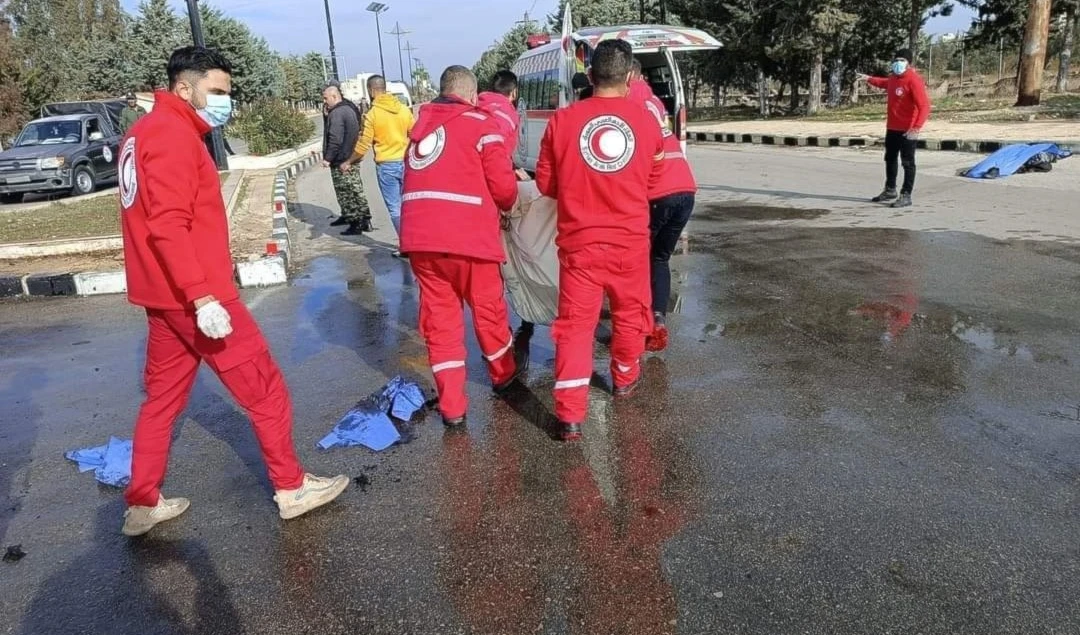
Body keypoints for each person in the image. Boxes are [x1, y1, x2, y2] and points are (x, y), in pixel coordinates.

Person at [118, 46, 348, 537]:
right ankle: (291, 488)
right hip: (196, 297)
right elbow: (167, 227)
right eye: (217, 91)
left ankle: (142, 501)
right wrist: (202, 298)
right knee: (264, 389)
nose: (224, 100)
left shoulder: (140, 134)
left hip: (162, 298)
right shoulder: (172, 135)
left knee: (161, 400)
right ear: (185, 87)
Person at [536, 39, 664, 442]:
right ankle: (624, 379)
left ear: (590, 76)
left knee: (575, 328)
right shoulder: (647, 121)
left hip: (579, 246)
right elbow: (654, 181)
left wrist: (578, 189)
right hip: (629, 243)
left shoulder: (562, 120)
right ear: (629, 77)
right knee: (630, 315)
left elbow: (545, 182)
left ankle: (570, 417)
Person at [400, 65, 525, 427]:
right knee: (488, 312)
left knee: (441, 324)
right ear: (472, 95)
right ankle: (503, 377)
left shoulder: (420, 130)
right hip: (470, 240)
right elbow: (503, 189)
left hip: (421, 242)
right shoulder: (481, 125)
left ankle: (453, 409)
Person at [628, 59, 697, 353]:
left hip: (660, 191)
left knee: (639, 257)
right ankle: (658, 319)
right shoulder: (653, 99)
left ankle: (638, 322)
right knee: (659, 258)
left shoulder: (627, 100)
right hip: (685, 187)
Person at [342, 75, 414, 254]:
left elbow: (363, 144)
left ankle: (406, 246)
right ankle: (418, 242)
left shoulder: (372, 115)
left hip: (387, 165)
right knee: (410, 206)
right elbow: (415, 133)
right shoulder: (404, 110)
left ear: (372, 91)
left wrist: (349, 161)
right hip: (407, 163)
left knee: (395, 207)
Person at [858, 49, 931, 209]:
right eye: (896, 59)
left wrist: (916, 128)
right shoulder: (893, 78)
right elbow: (883, 83)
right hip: (892, 128)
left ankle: (906, 194)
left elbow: (924, 106)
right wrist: (868, 79)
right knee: (890, 159)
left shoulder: (914, 80)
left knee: (907, 162)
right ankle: (890, 190)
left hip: (908, 130)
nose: (898, 63)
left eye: (902, 60)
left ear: (909, 63)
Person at [322, 84, 371, 234]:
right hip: (350, 156)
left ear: (335, 96)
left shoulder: (338, 113)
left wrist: (328, 158)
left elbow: (335, 139)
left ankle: (357, 222)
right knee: (351, 190)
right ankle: (352, 216)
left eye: (326, 98)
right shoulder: (348, 108)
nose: (324, 101)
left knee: (349, 191)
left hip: (343, 159)